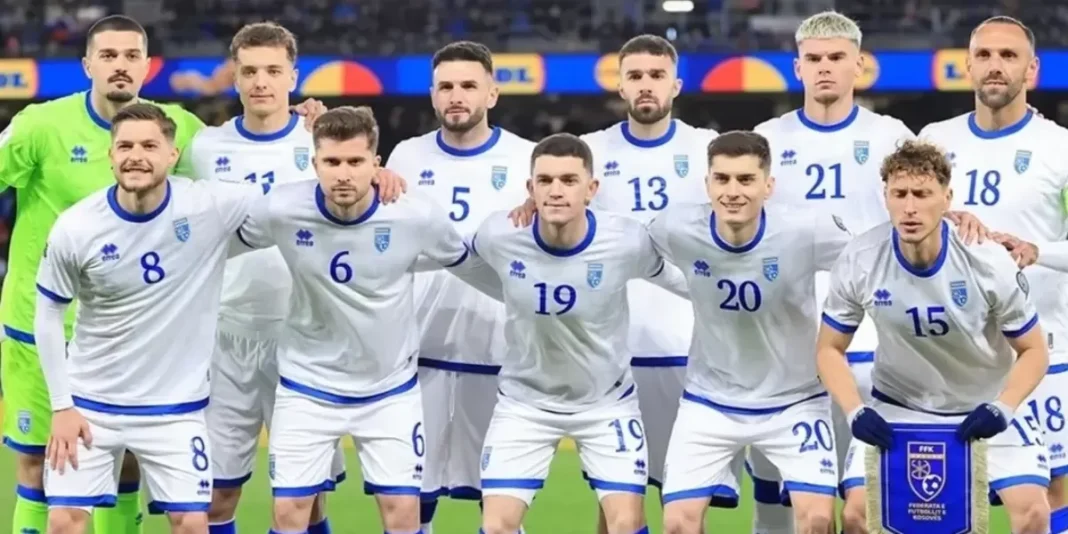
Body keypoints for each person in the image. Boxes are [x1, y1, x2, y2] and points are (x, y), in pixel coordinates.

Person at [0, 14, 328, 534]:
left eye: (131, 55)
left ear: (147, 65)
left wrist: (312, 123)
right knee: (40, 467)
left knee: (128, 470)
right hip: (43, 326)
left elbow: (249, 164)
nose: (120, 65)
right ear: (87, 64)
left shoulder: (182, 130)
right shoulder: (40, 125)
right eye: (108, 55)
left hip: (140, 339)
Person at [233, 106, 497, 534]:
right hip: (307, 386)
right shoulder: (282, 207)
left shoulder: (414, 214)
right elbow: (219, 244)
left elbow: (469, 265)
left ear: (376, 164)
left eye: (355, 161)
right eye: (332, 162)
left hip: (388, 391)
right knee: (289, 512)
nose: (343, 173)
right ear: (314, 163)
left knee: (403, 514)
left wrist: (531, 301)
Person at [33, 103, 262, 534]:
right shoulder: (77, 226)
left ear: (173, 155)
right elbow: (47, 314)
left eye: (149, 146)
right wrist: (62, 406)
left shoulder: (207, 205)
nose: (135, 156)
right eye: (125, 146)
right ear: (110, 155)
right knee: (64, 522)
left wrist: (371, 179)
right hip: (91, 406)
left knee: (191, 523)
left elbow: (291, 200)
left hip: (174, 412)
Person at [822, 139, 1051, 534]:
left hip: (985, 403)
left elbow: (1033, 350)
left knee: (1032, 513)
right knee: (857, 515)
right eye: (900, 194)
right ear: (886, 197)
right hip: (900, 405)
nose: (910, 207)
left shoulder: (987, 259)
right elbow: (828, 348)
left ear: (947, 198)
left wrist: (1003, 408)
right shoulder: (861, 258)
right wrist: (854, 411)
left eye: (922, 194)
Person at [748, 12, 915, 533]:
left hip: (872, 345)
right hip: (784, 348)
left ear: (859, 65)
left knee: (862, 511)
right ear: (797, 67)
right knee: (779, 510)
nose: (825, 68)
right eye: (814, 59)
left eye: (837, 57)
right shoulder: (765, 140)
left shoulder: (890, 137)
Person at [470, 133, 688, 534]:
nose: (556, 191)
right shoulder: (499, 235)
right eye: (545, 180)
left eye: (569, 180)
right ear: (530, 188)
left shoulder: (626, 241)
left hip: (607, 404)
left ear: (591, 189)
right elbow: (453, 258)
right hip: (524, 404)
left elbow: (678, 279)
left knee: (626, 524)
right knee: (497, 526)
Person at [186, 22, 349, 534]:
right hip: (225, 336)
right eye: (250, 70)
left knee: (307, 500)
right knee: (216, 496)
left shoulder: (321, 142)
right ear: (234, 77)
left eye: (274, 71)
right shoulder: (204, 148)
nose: (261, 81)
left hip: (303, 336)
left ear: (293, 77)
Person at [647, 131, 849, 534]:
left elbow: (872, 257)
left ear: (768, 185)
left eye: (745, 180)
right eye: (722, 179)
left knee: (818, 520)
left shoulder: (805, 229)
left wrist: (938, 225)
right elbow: (616, 246)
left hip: (795, 400)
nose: (733, 192)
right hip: (709, 401)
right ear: (707, 184)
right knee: (678, 524)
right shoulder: (676, 226)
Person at [918, 16, 1068, 532]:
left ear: (1032, 68)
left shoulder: (1060, 147)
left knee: (1050, 495)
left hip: (1043, 350)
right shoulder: (935, 142)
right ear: (968, 65)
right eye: (984, 55)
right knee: (944, 493)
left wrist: (1037, 250)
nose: (995, 66)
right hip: (951, 356)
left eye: (1008, 55)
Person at [384, 41, 534, 534]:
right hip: (417, 352)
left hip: (499, 351)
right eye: (446, 86)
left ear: (492, 93)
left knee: (498, 507)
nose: (456, 95)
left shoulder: (525, 159)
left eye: (469, 85)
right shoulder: (406, 156)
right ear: (432, 95)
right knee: (411, 503)